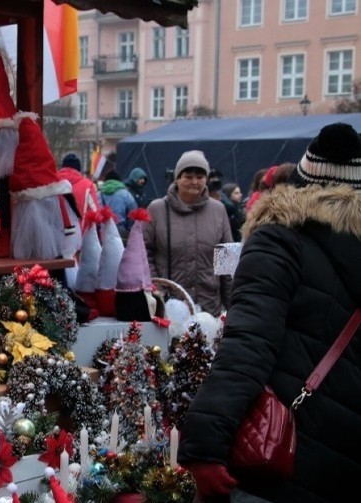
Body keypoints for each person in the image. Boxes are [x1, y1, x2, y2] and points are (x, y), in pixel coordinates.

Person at [179, 122, 361, 503]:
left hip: (287, 453)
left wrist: (205, 441)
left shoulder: (280, 239)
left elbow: (247, 344)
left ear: (302, 180)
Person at [143, 150, 232, 316]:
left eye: (200, 177)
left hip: (208, 307)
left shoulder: (218, 210)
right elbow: (143, 253)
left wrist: (232, 306)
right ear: (177, 178)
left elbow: (226, 263)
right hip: (170, 307)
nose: (194, 182)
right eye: (188, 176)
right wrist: (157, 288)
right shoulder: (157, 209)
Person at [57, 153, 100, 228]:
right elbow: (96, 213)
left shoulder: (52, 182)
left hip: (54, 235)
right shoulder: (87, 185)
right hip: (80, 235)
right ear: (78, 169)